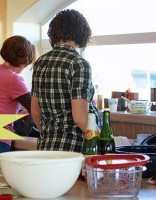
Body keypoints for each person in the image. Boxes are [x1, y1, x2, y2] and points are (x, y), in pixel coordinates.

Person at [31, 9, 94, 152]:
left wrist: (50, 134)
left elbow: (35, 111)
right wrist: (101, 138)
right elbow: (80, 117)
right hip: (71, 149)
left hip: (45, 146)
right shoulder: (78, 63)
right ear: (81, 32)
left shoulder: (40, 62)